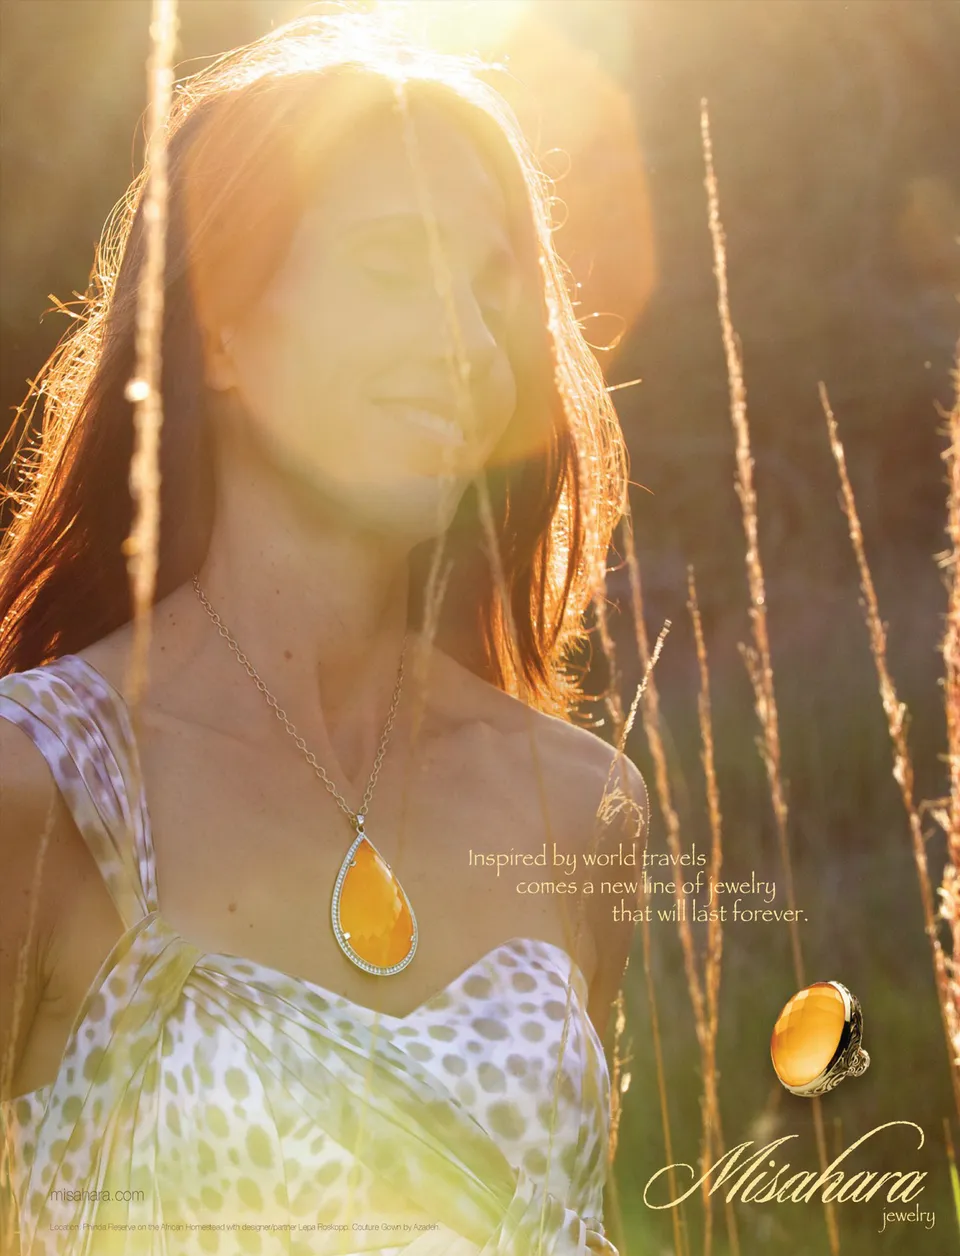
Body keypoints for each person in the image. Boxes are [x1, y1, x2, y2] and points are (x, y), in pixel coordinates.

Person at [0, 13, 648, 1255]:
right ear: (221, 328)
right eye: (397, 268)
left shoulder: (574, 806)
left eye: (492, 285)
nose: (469, 340)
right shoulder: (44, 789)